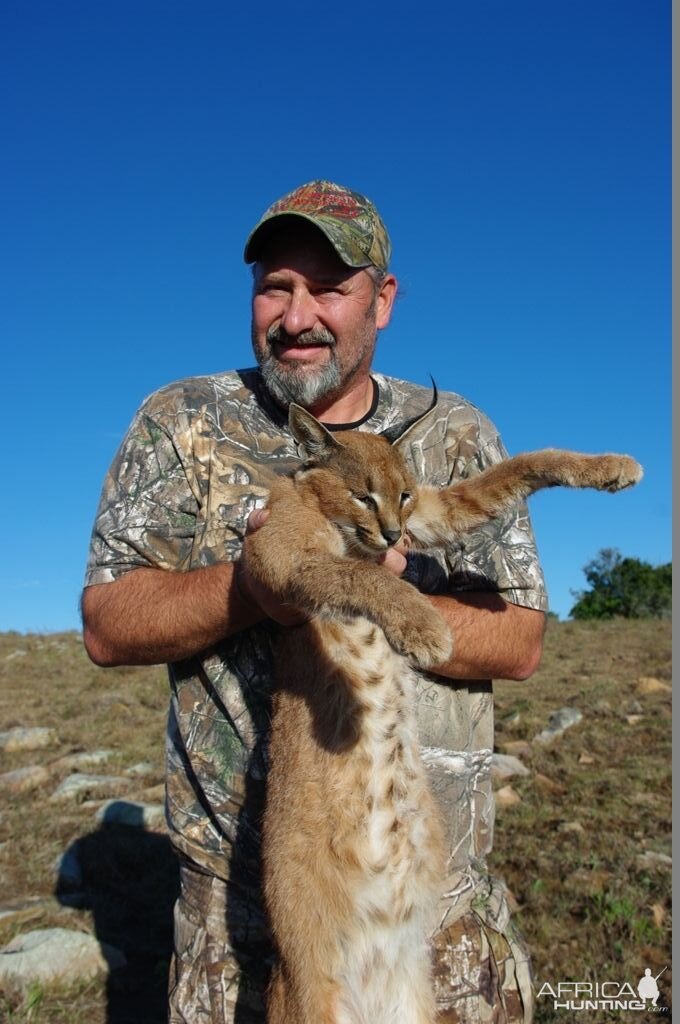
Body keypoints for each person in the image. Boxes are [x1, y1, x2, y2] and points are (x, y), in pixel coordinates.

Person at [82, 180, 548, 1024]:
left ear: (383, 299)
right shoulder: (182, 422)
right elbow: (107, 625)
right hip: (246, 922)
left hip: (436, 911)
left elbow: (519, 641)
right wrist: (260, 588)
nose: (297, 316)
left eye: (329, 288)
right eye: (275, 285)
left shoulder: (455, 433)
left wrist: (382, 594)